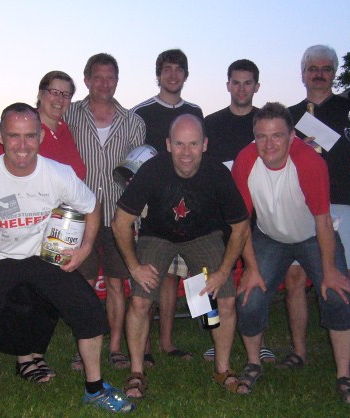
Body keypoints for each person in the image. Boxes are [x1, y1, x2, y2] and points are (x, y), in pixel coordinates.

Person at [0, 103, 135, 413]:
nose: (22, 145)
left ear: (41, 136)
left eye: (30, 136)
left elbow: (91, 205)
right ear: (0, 135)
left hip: (45, 256)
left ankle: (95, 390)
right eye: (14, 136)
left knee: (90, 314)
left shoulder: (57, 173)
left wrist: (84, 248)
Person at [232, 102, 350, 404]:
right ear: (254, 137)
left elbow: (323, 221)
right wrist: (251, 269)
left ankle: (344, 376)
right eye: (261, 136)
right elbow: (241, 223)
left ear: (292, 136)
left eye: (277, 136)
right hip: (270, 236)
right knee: (250, 297)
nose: (268, 144)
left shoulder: (309, 162)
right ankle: (253, 363)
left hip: (313, 236)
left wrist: (329, 271)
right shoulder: (245, 160)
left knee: (338, 293)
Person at [112, 114, 250, 398]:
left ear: (205, 144)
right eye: (179, 144)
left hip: (203, 235)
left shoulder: (217, 173)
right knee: (140, 300)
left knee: (223, 299)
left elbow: (240, 228)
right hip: (158, 235)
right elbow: (120, 223)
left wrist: (223, 271)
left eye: (193, 144)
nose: (186, 152)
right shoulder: (152, 170)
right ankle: (137, 372)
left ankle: (222, 368)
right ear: (168, 144)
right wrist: (134, 267)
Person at [281, 45, 350, 374]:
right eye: (313, 68)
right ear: (303, 74)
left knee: (346, 278)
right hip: (299, 206)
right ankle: (299, 351)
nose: (318, 74)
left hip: (338, 204)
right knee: (295, 279)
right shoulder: (289, 115)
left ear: (334, 73)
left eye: (325, 68)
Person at [0, 71, 87, 383]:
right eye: (54, 92)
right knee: (23, 294)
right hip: (26, 227)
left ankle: (38, 353)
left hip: (60, 228)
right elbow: (1, 178)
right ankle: (24, 358)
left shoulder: (65, 132)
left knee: (49, 293)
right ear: (40, 93)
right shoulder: (23, 128)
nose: (59, 99)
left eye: (66, 94)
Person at [64, 53, 146, 370]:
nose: (104, 83)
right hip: (79, 212)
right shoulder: (69, 113)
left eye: (110, 77)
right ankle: (84, 344)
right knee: (82, 283)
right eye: (97, 77)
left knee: (115, 283)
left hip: (117, 214)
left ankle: (114, 347)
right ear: (86, 80)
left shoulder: (133, 122)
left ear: (117, 80)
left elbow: (138, 171)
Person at [131, 49, 203, 365]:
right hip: (151, 204)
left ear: (186, 75)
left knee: (174, 275)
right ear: (158, 74)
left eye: (179, 69)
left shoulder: (194, 112)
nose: (173, 75)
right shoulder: (140, 113)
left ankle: (167, 343)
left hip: (184, 204)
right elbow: (133, 160)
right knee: (150, 274)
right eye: (167, 69)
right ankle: (144, 347)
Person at [202, 59, 275, 364]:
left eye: (248, 83)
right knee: (211, 277)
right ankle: (213, 337)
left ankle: (260, 338)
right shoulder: (211, 122)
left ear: (256, 87)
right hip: (218, 214)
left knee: (256, 274)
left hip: (259, 212)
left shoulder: (266, 124)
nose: (241, 89)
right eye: (236, 82)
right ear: (228, 85)